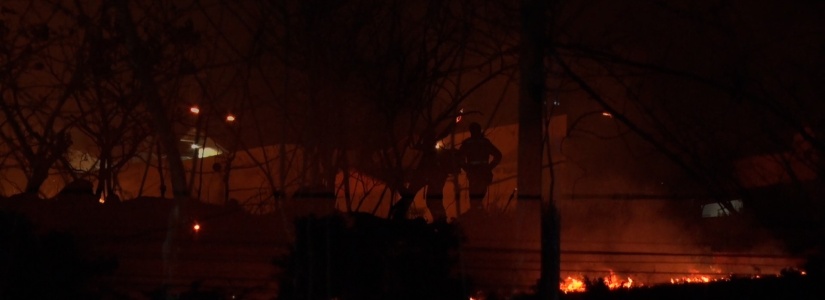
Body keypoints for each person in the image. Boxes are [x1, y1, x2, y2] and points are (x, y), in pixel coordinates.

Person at [456, 122, 502, 210]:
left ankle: (476, 215)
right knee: (479, 199)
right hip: (482, 174)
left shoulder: (468, 143)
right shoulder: (484, 143)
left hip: (474, 175)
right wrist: (489, 167)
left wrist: (467, 168)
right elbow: (498, 155)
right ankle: (478, 214)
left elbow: (459, 158)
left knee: (475, 200)